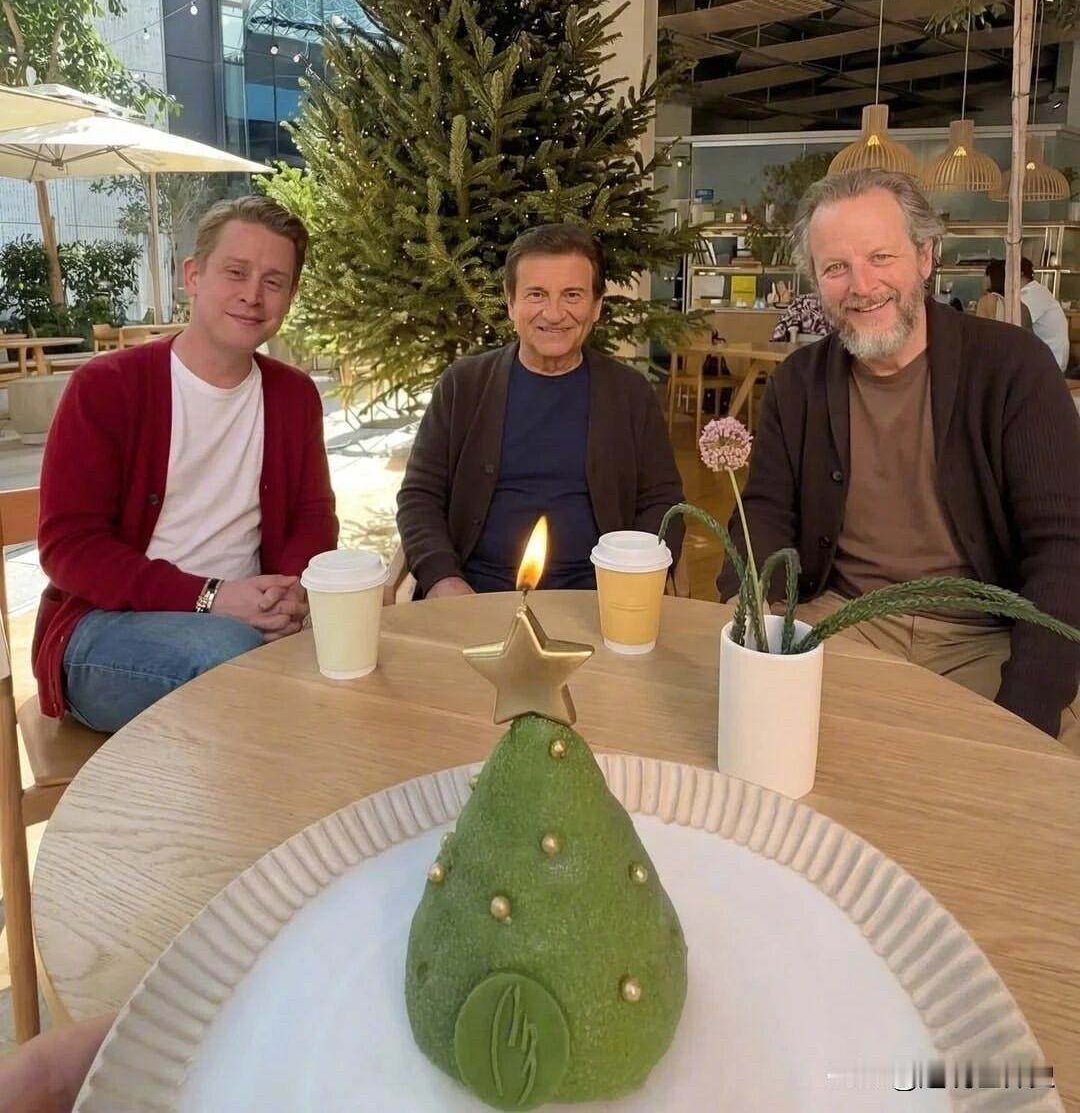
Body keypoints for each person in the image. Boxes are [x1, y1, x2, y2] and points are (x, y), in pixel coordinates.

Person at [718, 168, 1080, 746]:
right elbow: (764, 510)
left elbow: (1063, 545)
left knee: (1030, 783)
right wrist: (745, 606)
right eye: (836, 267)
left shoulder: (1015, 368)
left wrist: (1028, 707)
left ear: (925, 257)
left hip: (986, 637)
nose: (861, 286)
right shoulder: (798, 383)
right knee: (752, 742)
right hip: (844, 620)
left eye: (880, 257)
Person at [33, 196, 338, 731]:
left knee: (354, 654)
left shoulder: (294, 396)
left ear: (290, 297)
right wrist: (211, 599)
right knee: (238, 661)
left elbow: (313, 517)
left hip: (252, 625)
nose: (252, 295)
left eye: (273, 281)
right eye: (236, 272)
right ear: (193, 276)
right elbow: (69, 548)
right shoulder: (106, 388)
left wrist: (288, 592)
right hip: (107, 630)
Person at [397, 223, 684, 597]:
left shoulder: (630, 393)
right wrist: (442, 578)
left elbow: (663, 502)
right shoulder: (462, 386)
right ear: (511, 303)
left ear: (596, 306)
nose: (554, 313)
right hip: (474, 595)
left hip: (599, 598)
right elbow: (419, 496)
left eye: (572, 295)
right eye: (536, 294)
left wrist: (634, 580)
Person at [1020, 256, 1070, 370]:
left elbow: (1015, 322)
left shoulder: (1032, 293)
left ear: (1020, 273)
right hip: (1048, 359)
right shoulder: (1034, 290)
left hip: (1050, 363)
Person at [975, 259, 1033, 330]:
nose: (983, 279)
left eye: (985, 275)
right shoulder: (1022, 307)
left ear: (991, 278)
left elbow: (981, 331)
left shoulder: (986, 301)